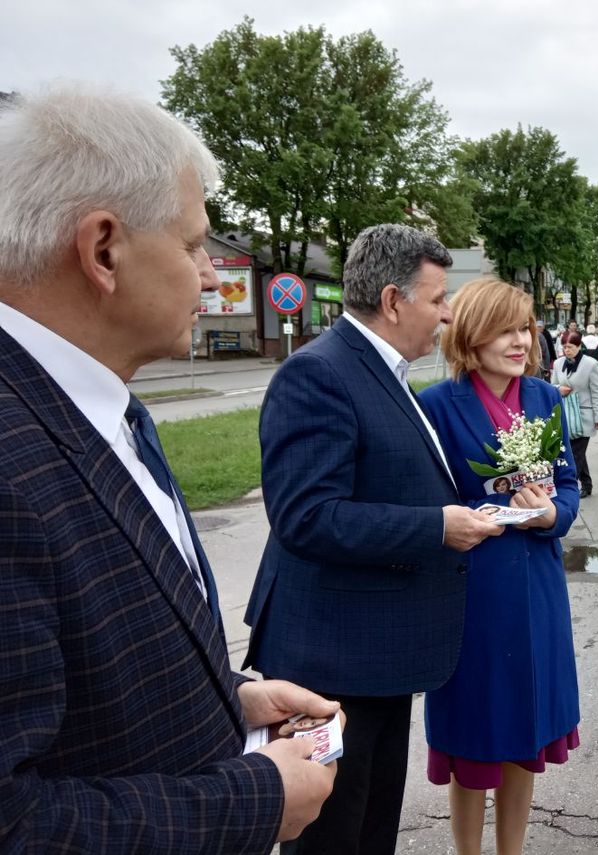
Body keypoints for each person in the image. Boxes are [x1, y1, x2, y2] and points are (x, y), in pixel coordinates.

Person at [0, 85, 340, 852]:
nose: (215, 277)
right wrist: (257, 800)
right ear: (104, 249)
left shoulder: (107, 405)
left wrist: (230, 698)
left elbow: (89, 681)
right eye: (194, 246)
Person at [244, 223, 504, 855]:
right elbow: (306, 515)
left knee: (371, 825)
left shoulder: (383, 371)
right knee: (335, 834)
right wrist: (436, 526)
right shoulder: (319, 374)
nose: (446, 316)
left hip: (374, 656)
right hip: (332, 661)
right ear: (393, 301)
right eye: (439, 299)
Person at [418, 277, 580, 855]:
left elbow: (567, 483)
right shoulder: (435, 405)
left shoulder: (541, 397)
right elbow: (425, 503)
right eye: (505, 329)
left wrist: (549, 515)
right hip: (475, 591)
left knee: (524, 731)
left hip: (537, 584)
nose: (520, 341)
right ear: (470, 334)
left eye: (525, 328)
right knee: (475, 736)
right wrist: (478, 513)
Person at [551, 331, 598, 498]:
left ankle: (569, 488)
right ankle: (587, 485)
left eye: (571, 347)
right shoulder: (559, 364)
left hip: (584, 417)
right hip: (566, 415)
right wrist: (558, 389)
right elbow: (552, 386)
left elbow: (597, 392)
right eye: (564, 347)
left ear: (579, 346)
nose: (567, 350)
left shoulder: (591, 364)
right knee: (576, 452)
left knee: (576, 454)